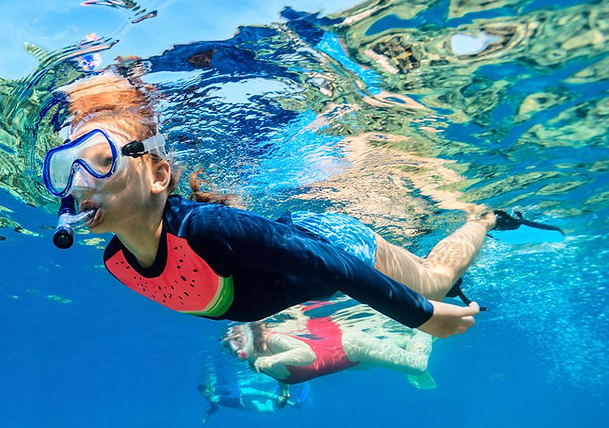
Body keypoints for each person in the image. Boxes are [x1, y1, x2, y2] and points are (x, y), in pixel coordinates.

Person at [42, 70, 496, 337]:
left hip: (336, 244)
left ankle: (483, 217)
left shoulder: (208, 229)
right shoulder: (116, 261)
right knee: (422, 278)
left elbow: (330, 266)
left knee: (433, 283)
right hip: (302, 263)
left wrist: (419, 317)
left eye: (101, 160)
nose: (80, 183)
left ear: (159, 174)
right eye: (69, 168)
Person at [222, 301, 436, 392]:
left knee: (417, 365)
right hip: (347, 362)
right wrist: (283, 392)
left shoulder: (273, 341)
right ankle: (406, 338)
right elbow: (278, 373)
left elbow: (307, 355)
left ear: (249, 333)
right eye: (229, 345)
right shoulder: (255, 363)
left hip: (350, 346)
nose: (233, 347)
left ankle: (424, 330)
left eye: (237, 340)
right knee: (392, 348)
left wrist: (273, 359)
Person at [197, 373, 308, 423]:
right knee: (269, 410)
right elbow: (214, 408)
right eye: (204, 395)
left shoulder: (219, 387)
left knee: (264, 395)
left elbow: (233, 392)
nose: (206, 395)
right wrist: (207, 414)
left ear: (209, 387)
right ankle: (272, 391)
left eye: (206, 392)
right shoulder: (208, 397)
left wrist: (221, 396)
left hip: (242, 393)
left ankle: (294, 404)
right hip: (241, 405)